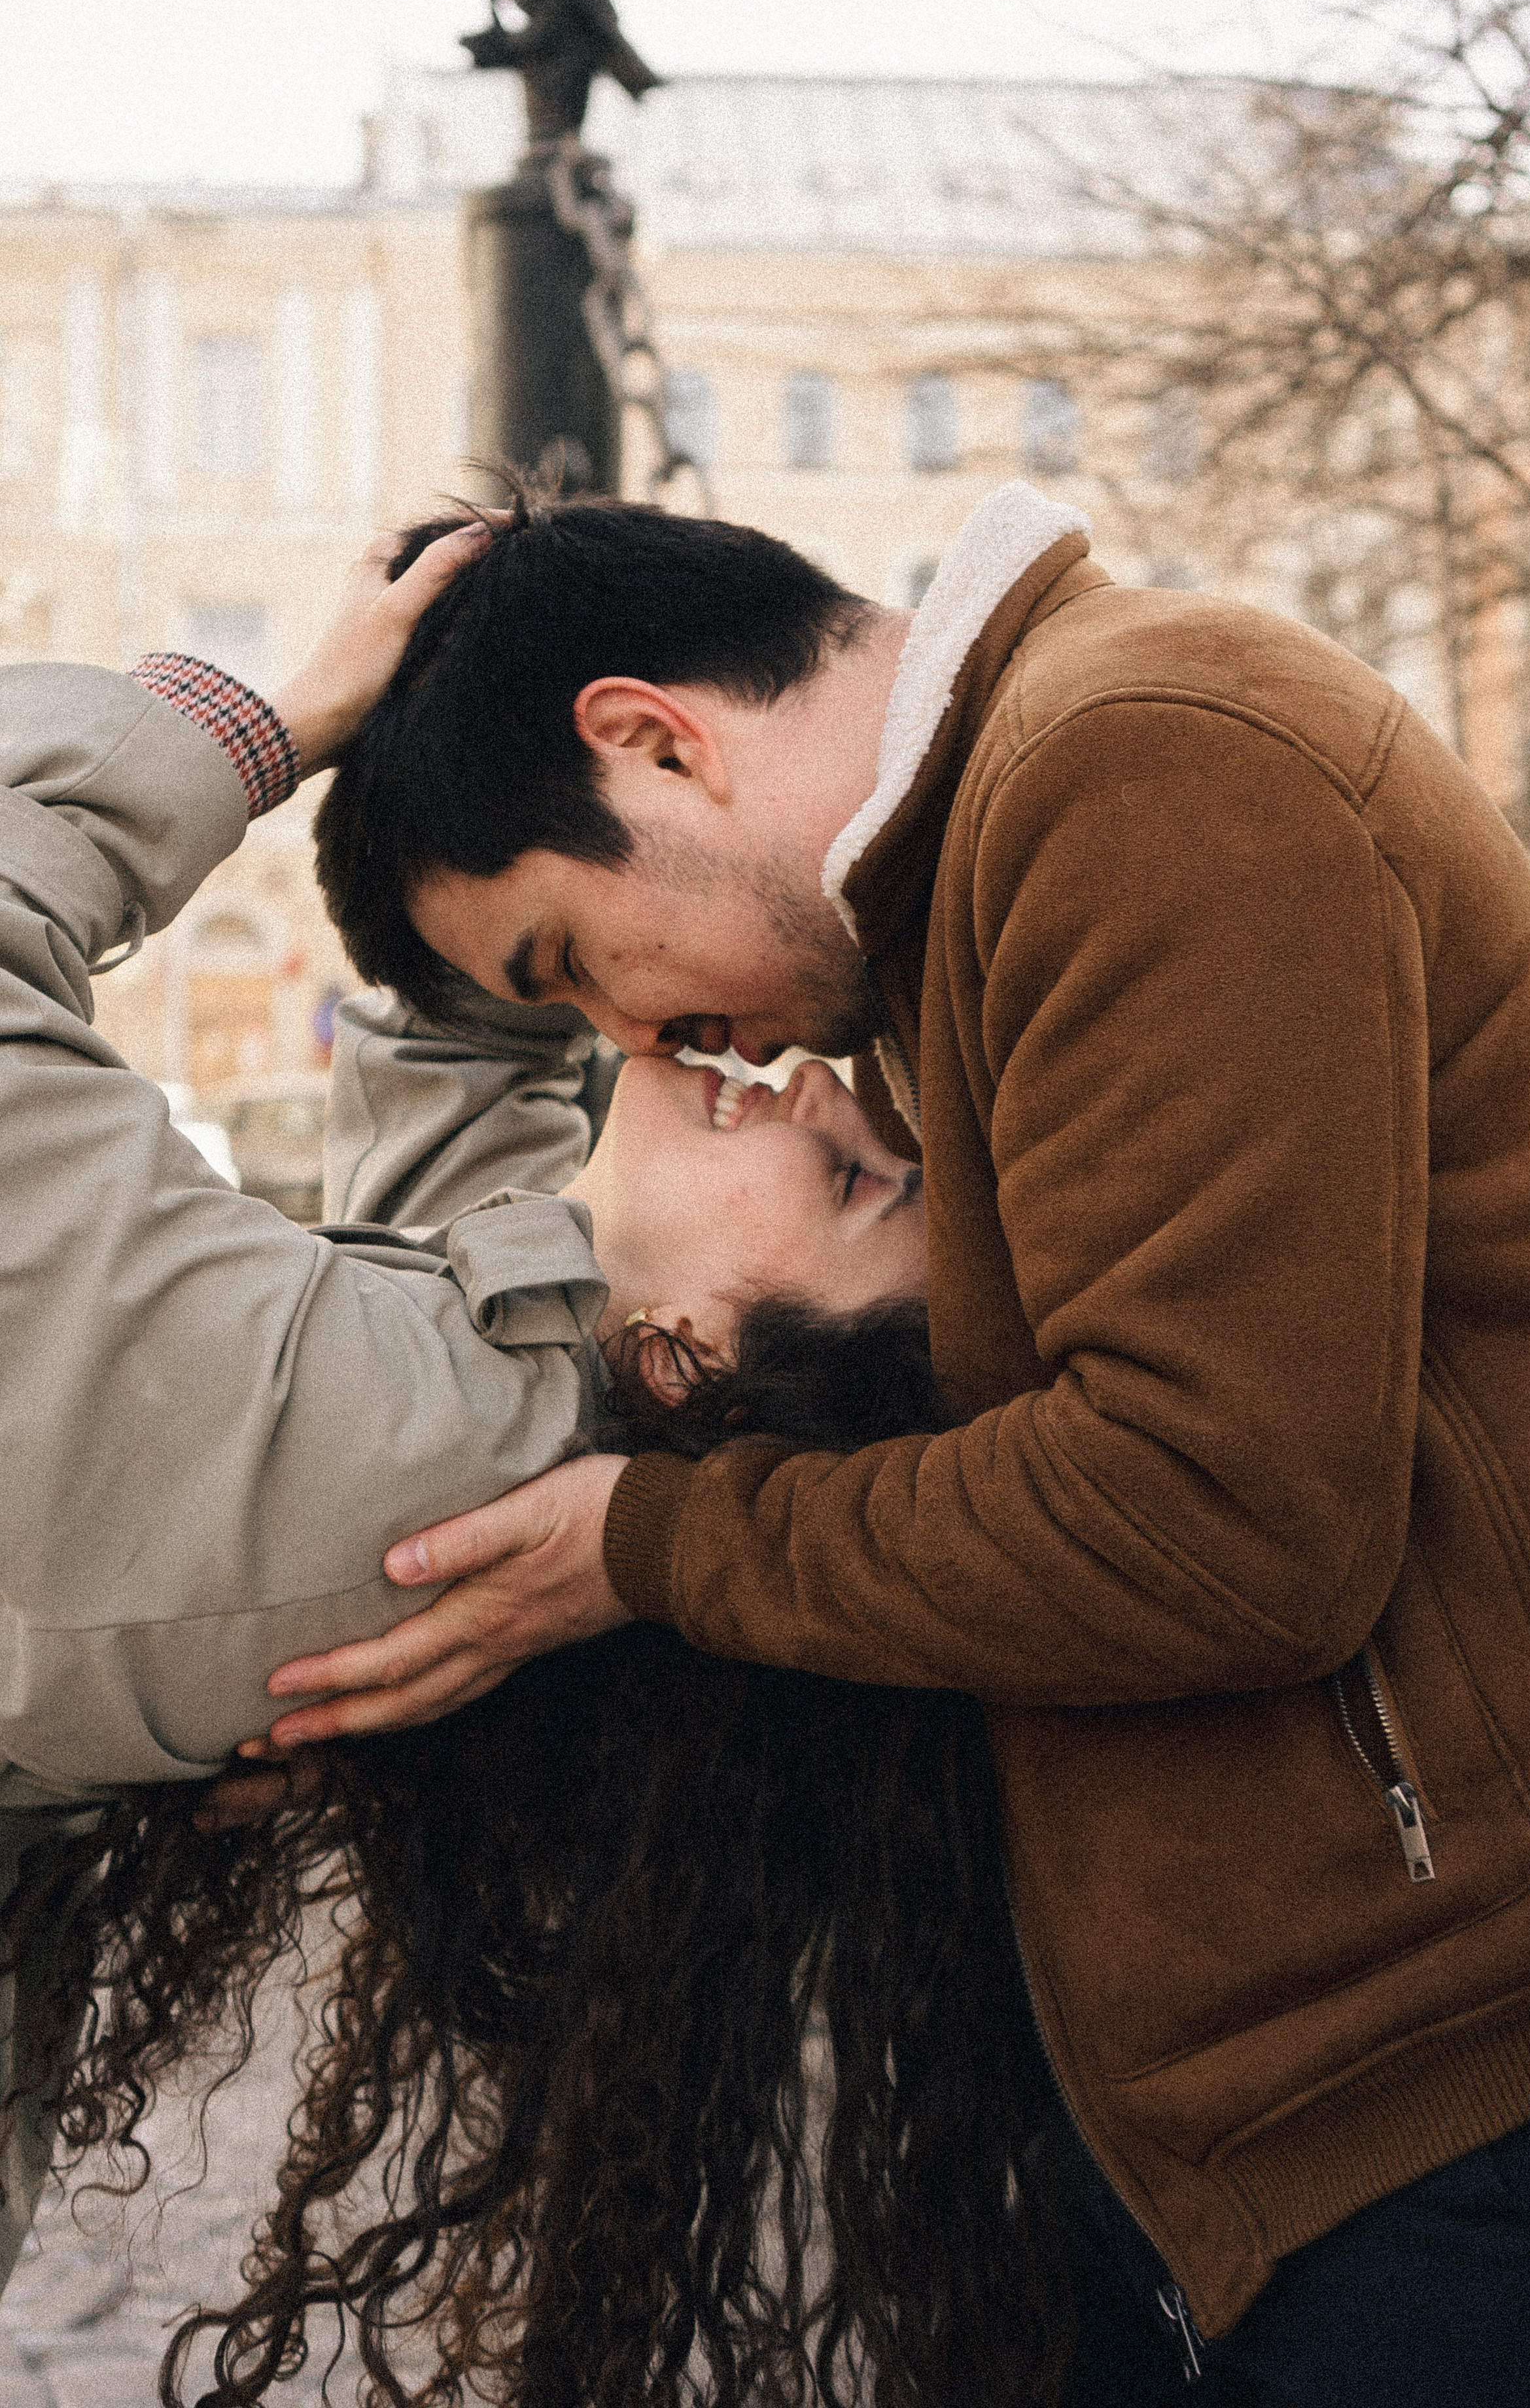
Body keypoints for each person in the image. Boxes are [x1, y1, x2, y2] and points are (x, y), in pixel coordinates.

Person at [271, 479, 1530, 2404]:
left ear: (652, 741)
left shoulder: (1140, 762)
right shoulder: (958, 904)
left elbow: (1221, 1520)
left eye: (569, 959)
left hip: (1479, 2100)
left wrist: (652, 1546)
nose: (646, 1038)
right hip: (1292, 2127)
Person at [0, 532, 929, 2314]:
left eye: (857, 1178)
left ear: (713, 1369)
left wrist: (264, 721)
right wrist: (481, 881)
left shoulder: (437, 1459)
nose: (815, 1083)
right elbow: (461, 1185)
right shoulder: (521, 1428)